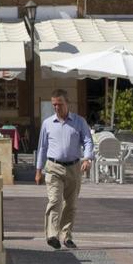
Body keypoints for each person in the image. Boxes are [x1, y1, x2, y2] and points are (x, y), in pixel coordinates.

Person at [35, 89, 94, 250]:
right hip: (53, 167)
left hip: (74, 167)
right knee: (55, 200)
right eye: (54, 104)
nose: (56, 107)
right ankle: (52, 235)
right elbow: (42, 147)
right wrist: (38, 169)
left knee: (71, 204)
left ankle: (66, 235)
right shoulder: (47, 123)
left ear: (68, 103)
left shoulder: (79, 122)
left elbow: (88, 141)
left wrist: (87, 158)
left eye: (59, 104)